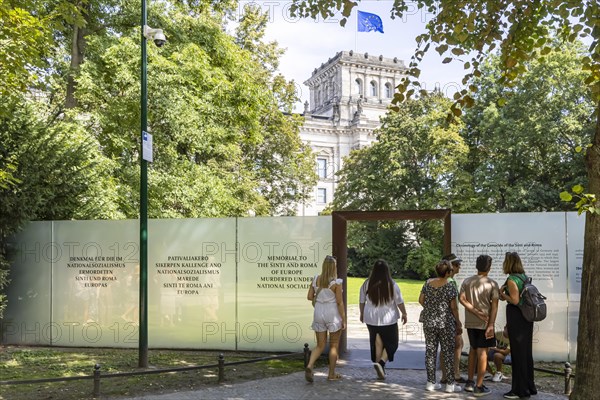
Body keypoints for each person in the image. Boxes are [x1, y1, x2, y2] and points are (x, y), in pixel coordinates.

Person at [359, 259, 408, 380]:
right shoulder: (392, 284)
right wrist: (404, 313)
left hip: (371, 317)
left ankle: (379, 369)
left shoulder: (366, 284)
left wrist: (361, 313)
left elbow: (361, 301)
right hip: (388, 318)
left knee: (378, 342)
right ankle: (381, 363)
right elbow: (399, 301)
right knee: (393, 344)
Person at [419, 260, 463, 393]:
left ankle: (430, 382)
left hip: (429, 322)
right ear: (449, 272)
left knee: (430, 351)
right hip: (446, 323)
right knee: (448, 352)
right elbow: (454, 307)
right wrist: (458, 322)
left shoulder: (428, 283)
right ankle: (450, 384)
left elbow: (421, 300)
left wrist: (430, 310)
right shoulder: (450, 285)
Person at [459, 254, 499, 397]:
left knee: (472, 350)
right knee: (483, 353)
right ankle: (479, 386)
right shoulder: (492, 284)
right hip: (485, 323)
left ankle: (470, 382)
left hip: (470, 322)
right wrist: (491, 325)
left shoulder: (467, 281)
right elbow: (494, 307)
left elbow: (461, 299)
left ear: (477, 266)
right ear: (489, 267)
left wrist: (474, 311)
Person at [499, 252, 537, 399]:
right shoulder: (524, 277)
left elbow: (514, 301)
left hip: (517, 317)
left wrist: (503, 296)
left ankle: (519, 390)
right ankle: (529, 386)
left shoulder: (512, 279)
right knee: (526, 353)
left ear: (508, 263)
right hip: (526, 319)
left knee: (518, 354)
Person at [305, 255, 346, 382]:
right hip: (332, 312)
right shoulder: (336, 283)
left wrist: (320, 296)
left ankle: (310, 365)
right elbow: (339, 302)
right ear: (334, 267)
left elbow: (310, 297)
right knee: (334, 345)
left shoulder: (316, 279)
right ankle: (331, 374)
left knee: (320, 345)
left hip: (318, 312)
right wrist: (343, 319)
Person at [440, 253, 466, 384]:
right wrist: (458, 322)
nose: (459, 268)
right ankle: (454, 374)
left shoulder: (442, 281)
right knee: (457, 345)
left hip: (443, 318)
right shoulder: (450, 282)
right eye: (457, 265)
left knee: (450, 346)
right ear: (451, 266)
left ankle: (446, 375)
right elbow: (453, 306)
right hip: (450, 319)